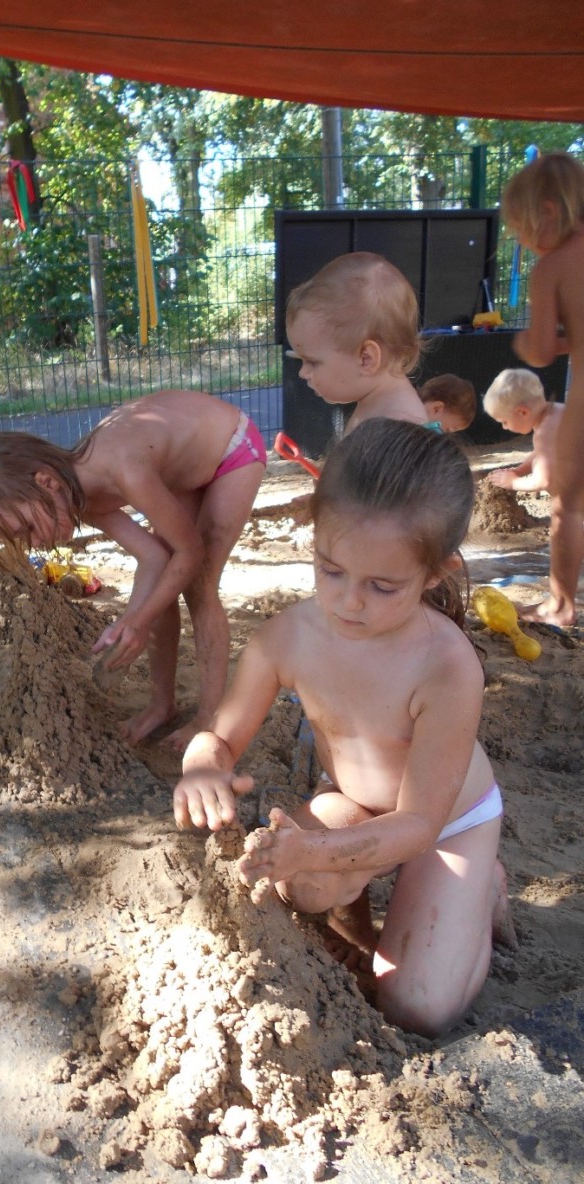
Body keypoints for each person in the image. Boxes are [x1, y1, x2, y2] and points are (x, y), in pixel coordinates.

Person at [173, 419, 514, 1038]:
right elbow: (221, 735)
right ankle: (358, 910)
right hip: (358, 803)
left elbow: (418, 824)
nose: (349, 602)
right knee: (300, 881)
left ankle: (481, 887)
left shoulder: (446, 665)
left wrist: (319, 848)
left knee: (417, 1007)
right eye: (330, 570)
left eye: (382, 586)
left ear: (434, 572)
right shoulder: (290, 635)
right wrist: (202, 762)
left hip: (446, 823)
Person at [0, 390, 266, 748]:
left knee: (197, 584)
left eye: (27, 529)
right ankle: (161, 705)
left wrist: (140, 619)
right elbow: (153, 558)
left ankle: (209, 720)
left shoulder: (123, 469)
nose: (37, 544)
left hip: (231, 448)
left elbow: (189, 552)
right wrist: (130, 621)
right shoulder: (80, 497)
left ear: (45, 482)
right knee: (163, 588)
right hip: (183, 470)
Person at [500, 151, 584, 626]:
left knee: (567, 506)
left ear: (548, 211)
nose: (522, 241)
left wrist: (522, 341)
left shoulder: (553, 267)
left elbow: (540, 352)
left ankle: (561, 605)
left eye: (520, 228)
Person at [285, 252, 429, 435]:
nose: (303, 373)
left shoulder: (399, 431)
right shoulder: (377, 405)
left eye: (312, 362)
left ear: (366, 358)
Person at [483, 368, 564, 493]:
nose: (504, 427)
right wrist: (518, 471)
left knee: (544, 468)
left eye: (504, 422)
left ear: (523, 412)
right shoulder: (556, 411)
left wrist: (513, 482)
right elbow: (542, 452)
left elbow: (544, 480)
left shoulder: (544, 433)